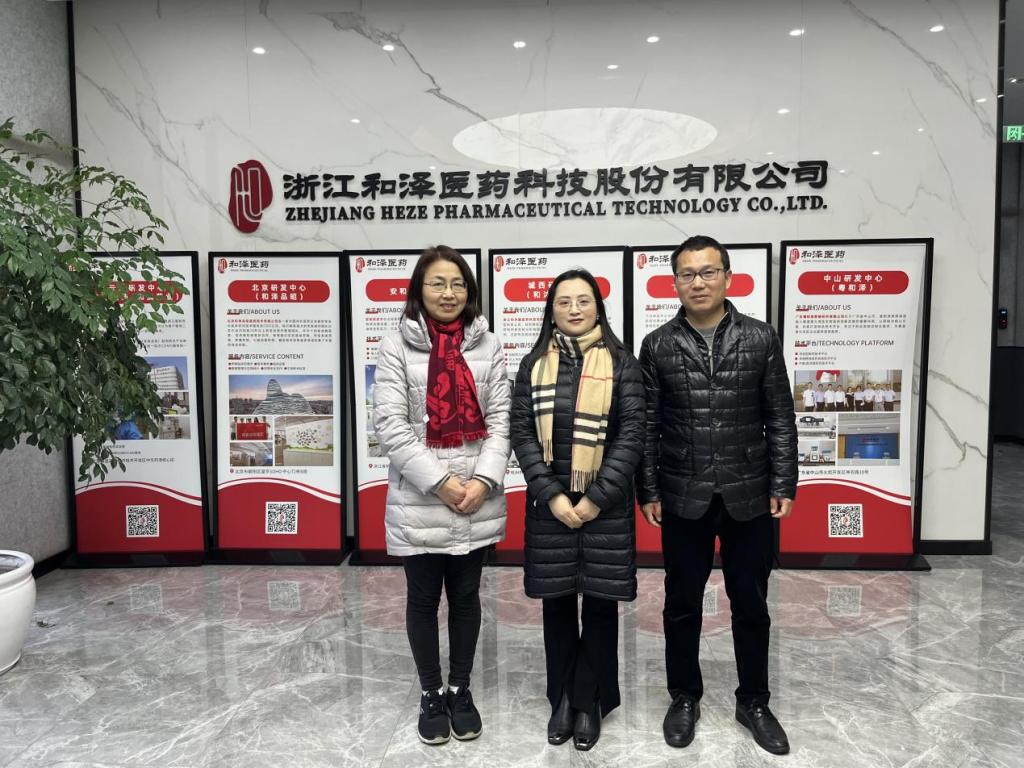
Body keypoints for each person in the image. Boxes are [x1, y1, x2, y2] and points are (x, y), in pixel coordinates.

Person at [638, 235, 797, 756]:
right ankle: (684, 697)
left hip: (749, 491)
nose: (698, 282)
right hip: (683, 492)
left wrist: (783, 482)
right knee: (682, 603)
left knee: (750, 602)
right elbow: (647, 425)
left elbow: (779, 415)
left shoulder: (760, 338)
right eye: (687, 274)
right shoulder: (657, 345)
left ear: (728, 277)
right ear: (674, 283)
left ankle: (754, 701)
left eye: (708, 272)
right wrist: (649, 488)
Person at [373, 245, 511, 746]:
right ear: (419, 289)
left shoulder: (489, 345)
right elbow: (390, 426)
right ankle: (431, 693)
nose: (448, 293)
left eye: (458, 283)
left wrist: (483, 480)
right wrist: (442, 483)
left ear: (469, 291)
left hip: (477, 495)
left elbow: (501, 420)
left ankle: (460, 688)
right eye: (437, 283)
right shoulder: (395, 346)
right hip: (421, 498)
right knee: (424, 598)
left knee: (467, 597)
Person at [510, 269, 644, 752]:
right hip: (551, 508)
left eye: (583, 300)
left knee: (602, 606)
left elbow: (632, 437)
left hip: (604, 507)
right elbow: (521, 433)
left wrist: (594, 498)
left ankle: (589, 700)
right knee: (558, 605)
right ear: (551, 311)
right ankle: (562, 698)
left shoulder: (623, 364)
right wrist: (552, 495)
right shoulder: (533, 365)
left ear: (598, 309)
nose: (573, 309)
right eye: (563, 301)